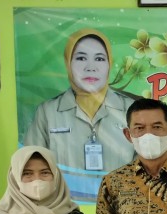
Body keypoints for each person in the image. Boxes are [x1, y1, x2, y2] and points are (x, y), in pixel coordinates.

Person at [24, 28, 137, 202]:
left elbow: (146, 168)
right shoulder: (48, 112)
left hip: (121, 210)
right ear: (68, 63)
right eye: (81, 58)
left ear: (109, 64)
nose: (90, 67)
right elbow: (31, 167)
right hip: (65, 211)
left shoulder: (131, 110)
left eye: (99, 59)